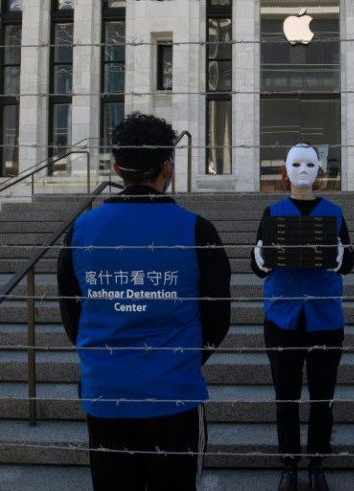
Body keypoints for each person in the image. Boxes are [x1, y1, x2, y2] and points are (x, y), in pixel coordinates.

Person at [57, 112, 231, 491]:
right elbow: (218, 318)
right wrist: (181, 357)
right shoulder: (197, 229)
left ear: (117, 167)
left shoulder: (82, 229)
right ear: (167, 167)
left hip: (106, 391)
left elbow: (72, 316)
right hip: (174, 394)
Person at [251, 143, 354, 491]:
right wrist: (260, 258)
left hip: (325, 316)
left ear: (319, 170)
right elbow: (258, 266)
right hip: (283, 316)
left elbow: (350, 261)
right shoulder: (272, 211)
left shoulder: (335, 212)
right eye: (296, 164)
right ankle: (289, 462)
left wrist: (341, 256)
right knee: (286, 396)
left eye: (310, 164)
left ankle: (317, 461)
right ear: (285, 170)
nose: (303, 171)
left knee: (322, 396)